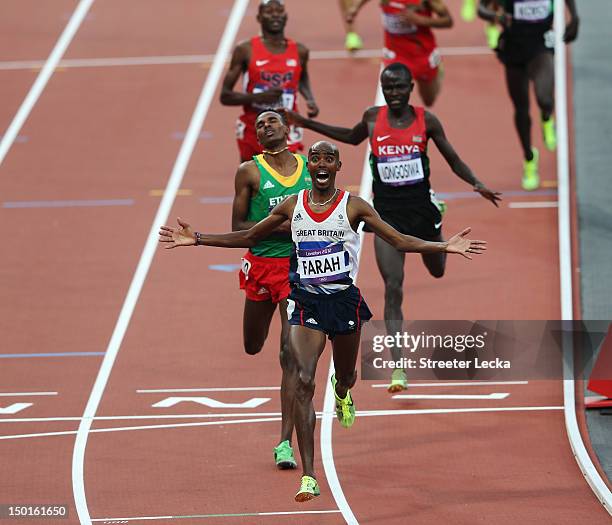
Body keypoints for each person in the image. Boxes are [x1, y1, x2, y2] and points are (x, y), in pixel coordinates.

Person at [159, 140, 487, 501]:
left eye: (328, 159)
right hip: (306, 304)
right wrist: (199, 239)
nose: (321, 164)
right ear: (309, 165)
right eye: (315, 158)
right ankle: (310, 476)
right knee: (302, 381)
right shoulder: (293, 205)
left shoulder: (354, 206)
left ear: (337, 166)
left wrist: (444, 246)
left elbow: (399, 240)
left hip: (343, 303)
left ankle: (343, 392)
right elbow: (250, 236)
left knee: (347, 376)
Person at [285, 63, 501, 393]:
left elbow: (452, 158)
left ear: (410, 87)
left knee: (438, 271)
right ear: (383, 89)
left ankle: (438, 228)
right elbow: (349, 137)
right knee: (393, 286)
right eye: (388, 88)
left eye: (400, 87)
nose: (394, 93)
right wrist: (305, 123)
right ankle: (399, 366)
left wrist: (476, 183)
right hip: (385, 213)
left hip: (422, 212)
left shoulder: (426, 120)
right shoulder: (373, 118)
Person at [235, 109, 313, 469]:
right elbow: (238, 226)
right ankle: (285, 438)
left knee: (289, 354)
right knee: (253, 346)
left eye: (271, 122)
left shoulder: (308, 168)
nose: (265, 127)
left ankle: (284, 442)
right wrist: (284, 227)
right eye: (259, 125)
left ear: (286, 129)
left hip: (294, 269)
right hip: (260, 266)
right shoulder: (249, 171)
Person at [478, 0, 579, 190]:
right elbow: (481, 8)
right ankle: (529, 159)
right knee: (521, 108)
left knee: (545, 99)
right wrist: (496, 16)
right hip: (514, 47)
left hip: (540, 44)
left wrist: (574, 17)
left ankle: (546, 117)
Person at [220, 0, 319, 162]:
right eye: (269, 11)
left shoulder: (300, 51)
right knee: (252, 180)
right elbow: (225, 96)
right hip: (254, 128)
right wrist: (257, 98)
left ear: (286, 16)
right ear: (259, 17)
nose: (275, 15)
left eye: (279, 11)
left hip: (286, 126)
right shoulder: (245, 50)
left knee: (288, 180)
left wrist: (310, 99)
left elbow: (302, 77)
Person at [346, 0, 453, 107]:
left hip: (422, 54)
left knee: (429, 101)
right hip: (394, 54)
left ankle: (438, 68)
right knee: (389, 103)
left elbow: (448, 21)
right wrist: (355, 8)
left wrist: (420, 20)